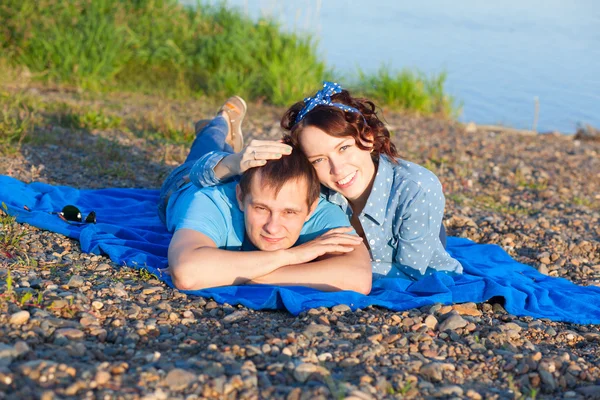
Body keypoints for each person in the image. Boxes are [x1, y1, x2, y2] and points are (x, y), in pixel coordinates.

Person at [197, 83, 463, 280]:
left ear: (368, 139)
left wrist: (271, 270)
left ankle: (219, 129)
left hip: (422, 234)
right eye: (319, 159)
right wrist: (233, 163)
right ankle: (219, 125)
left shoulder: (416, 190)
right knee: (195, 165)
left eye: (344, 148)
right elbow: (198, 177)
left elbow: (411, 273)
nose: (337, 169)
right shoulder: (314, 181)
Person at [158, 96, 372, 293]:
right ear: (240, 198)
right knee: (207, 146)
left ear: (311, 207)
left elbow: (358, 278)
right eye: (261, 208)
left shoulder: (319, 208)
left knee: (220, 149)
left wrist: (243, 275)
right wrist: (292, 256)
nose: (273, 227)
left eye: (289, 212)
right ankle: (219, 122)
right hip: (185, 183)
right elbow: (188, 273)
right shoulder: (211, 200)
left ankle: (226, 138)